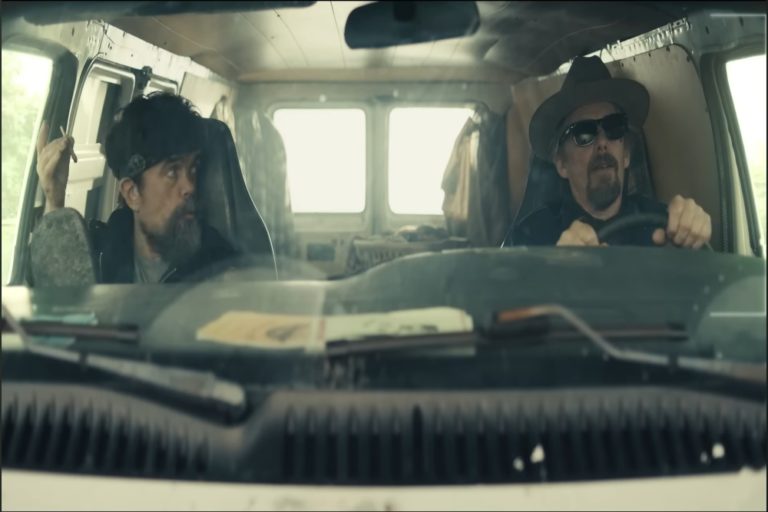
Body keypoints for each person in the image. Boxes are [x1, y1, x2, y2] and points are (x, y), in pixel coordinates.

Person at [503, 56, 712, 249]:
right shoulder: (531, 238)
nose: (602, 143)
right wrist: (555, 268)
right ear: (561, 164)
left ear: (626, 154)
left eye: (614, 127)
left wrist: (692, 231)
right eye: (584, 133)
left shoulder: (663, 226)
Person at [34, 92, 237, 283]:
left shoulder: (224, 269)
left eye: (193, 169)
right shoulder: (99, 254)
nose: (190, 187)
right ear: (132, 194)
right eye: (172, 172)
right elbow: (57, 293)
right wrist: (54, 200)